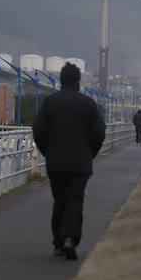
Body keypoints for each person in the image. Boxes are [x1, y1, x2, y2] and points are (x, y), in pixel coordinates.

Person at [33, 62, 105, 260]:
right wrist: (90, 153)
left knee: (60, 200)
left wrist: (47, 151)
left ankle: (58, 243)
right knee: (75, 200)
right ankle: (70, 239)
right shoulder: (88, 104)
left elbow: (38, 131)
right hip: (80, 163)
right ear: (79, 81)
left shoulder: (50, 103)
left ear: (61, 80)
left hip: (55, 162)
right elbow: (100, 132)